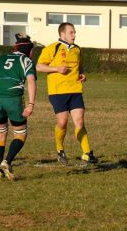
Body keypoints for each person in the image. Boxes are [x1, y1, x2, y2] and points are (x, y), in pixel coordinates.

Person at [36, 22, 98, 165]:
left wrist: (82, 73)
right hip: (58, 92)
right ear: (62, 34)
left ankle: (87, 153)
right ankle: (60, 149)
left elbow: (79, 65)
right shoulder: (53, 48)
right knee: (62, 122)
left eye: (74, 32)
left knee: (80, 121)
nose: (74, 35)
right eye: (71, 32)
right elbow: (39, 66)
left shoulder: (77, 49)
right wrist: (57, 69)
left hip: (75, 90)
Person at [0, 34, 36, 180]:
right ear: (28, 50)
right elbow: (31, 82)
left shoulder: (0, 59)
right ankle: (6, 161)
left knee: (1, 132)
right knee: (20, 134)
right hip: (13, 98)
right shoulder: (27, 60)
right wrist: (31, 104)